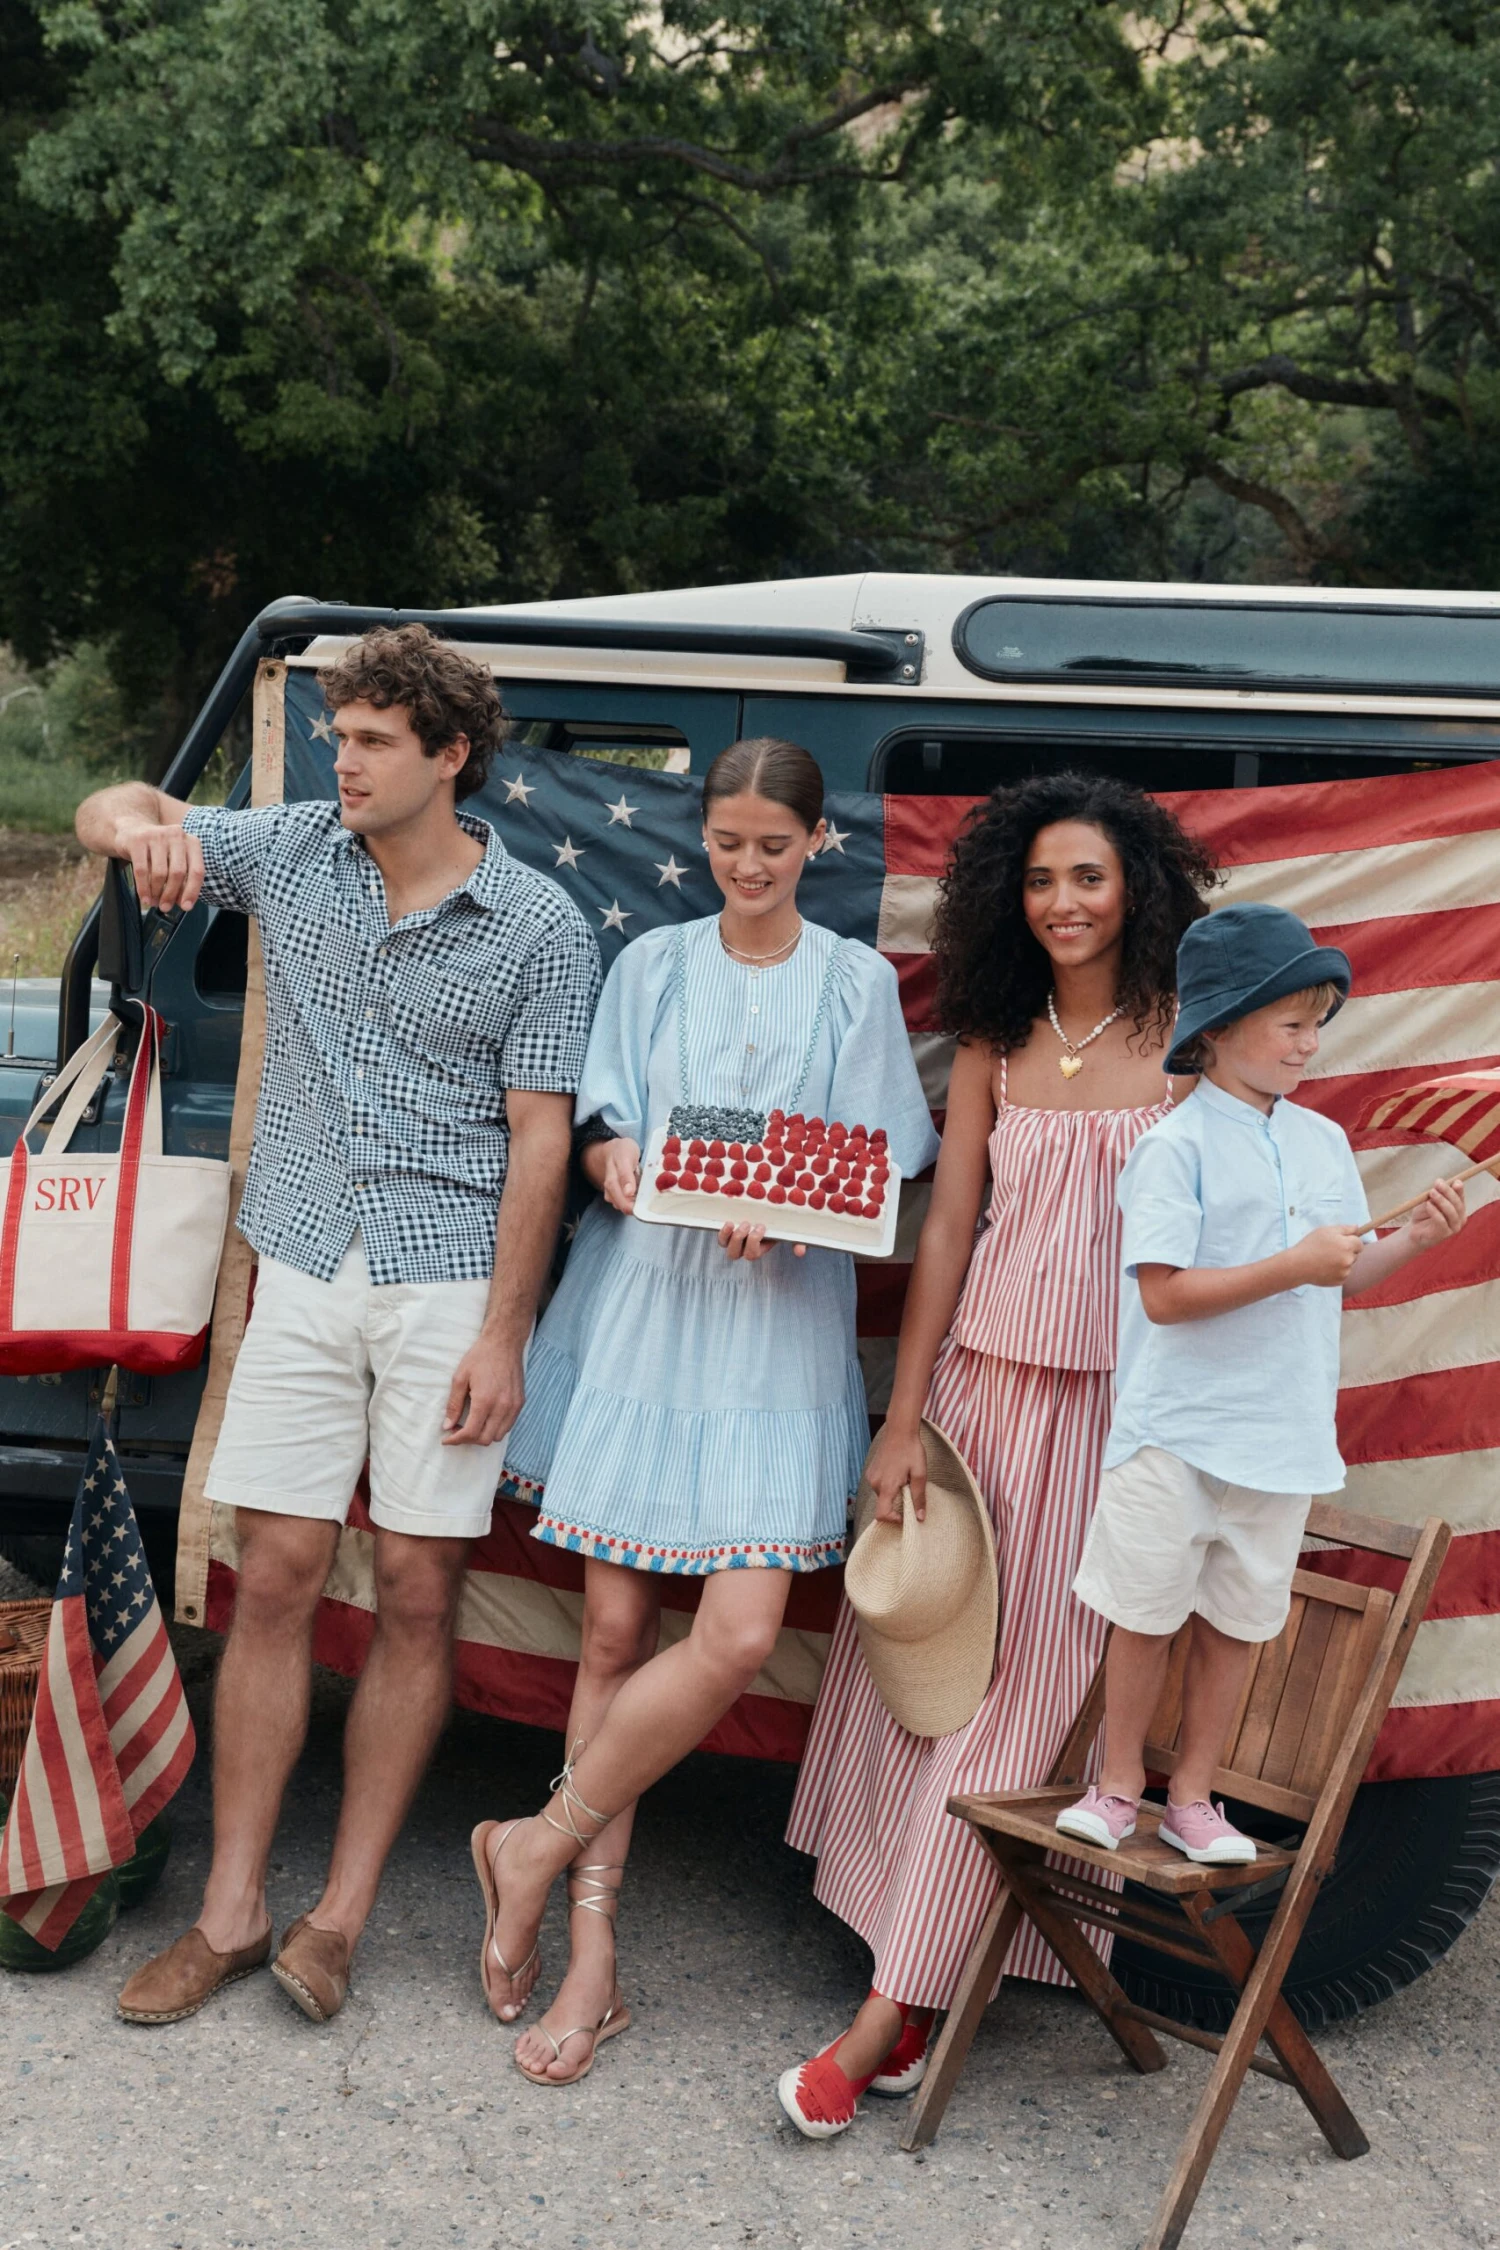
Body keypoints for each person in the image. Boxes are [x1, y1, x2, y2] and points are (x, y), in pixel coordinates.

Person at [75, 623, 601, 2026]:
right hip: (304, 1260)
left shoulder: (543, 927)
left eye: (371, 740)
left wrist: (506, 1331)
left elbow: (541, 1143)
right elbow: (110, 807)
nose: (342, 760)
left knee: (420, 1592)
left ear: (450, 757)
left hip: (447, 1283)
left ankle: (341, 1915)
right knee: (280, 1568)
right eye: (337, 734)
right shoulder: (296, 848)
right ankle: (233, 1910)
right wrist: (147, 831)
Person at [480, 735, 938, 2087]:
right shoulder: (652, 962)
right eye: (729, 841)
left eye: (774, 845)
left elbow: (885, 1155)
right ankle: (591, 1957)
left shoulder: (853, 984)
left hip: (773, 1329)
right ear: (705, 841)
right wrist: (617, 1150)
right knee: (614, 1626)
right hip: (646, 1310)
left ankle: (536, 1835)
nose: (748, 864)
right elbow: (602, 1115)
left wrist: (793, 1205)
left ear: (816, 847)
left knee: (736, 1632)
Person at [781, 769, 1216, 2140]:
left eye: (1088, 875)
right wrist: (902, 1421)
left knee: (1024, 1704)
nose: (1064, 901)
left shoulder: (1193, 1041)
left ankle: (885, 2018)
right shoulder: (990, 1039)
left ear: (1137, 884)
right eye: (1039, 879)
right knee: (933, 1675)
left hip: (1118, 1421)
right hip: (977, 1405)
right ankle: (910, 1965)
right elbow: (948, 1235)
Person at [1058, 902, 1466, 1863]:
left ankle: (1194, 1799)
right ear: (1220, 1028)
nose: (1310, 1042)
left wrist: (1414, 1239)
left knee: (1239, 1621)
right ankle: (1118, 1786)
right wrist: (1293, 1263)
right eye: (1292, 1021)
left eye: (1319, 1021)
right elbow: (1163, 1296)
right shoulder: (1173, 1146)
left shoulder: (1324, 1145)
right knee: (1146, 1611)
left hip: (1281, 1435)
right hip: (1177, 1427)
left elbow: (1345, 1272)